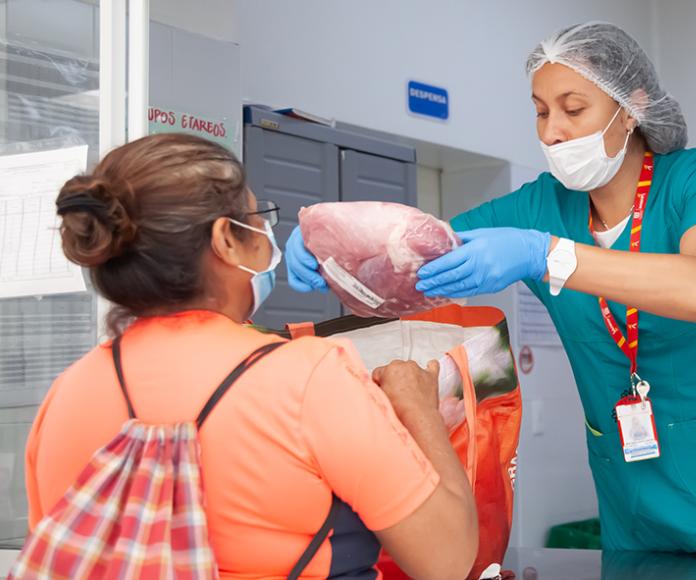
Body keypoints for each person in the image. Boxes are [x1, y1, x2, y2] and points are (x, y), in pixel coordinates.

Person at [285, 22, 696, 558]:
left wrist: (549, 255)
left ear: (631, 107)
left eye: (574, 108)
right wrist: (328, 246)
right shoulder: (538, 206)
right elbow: (414, 250)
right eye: (541, 111)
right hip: (634, 506)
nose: (551, 132)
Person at [25, 133, 478, 579]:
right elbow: (447, 560)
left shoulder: (67, 394)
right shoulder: (308, 378)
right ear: (226, 239)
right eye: (258, 218)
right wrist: (421, 412)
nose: (267, 233)